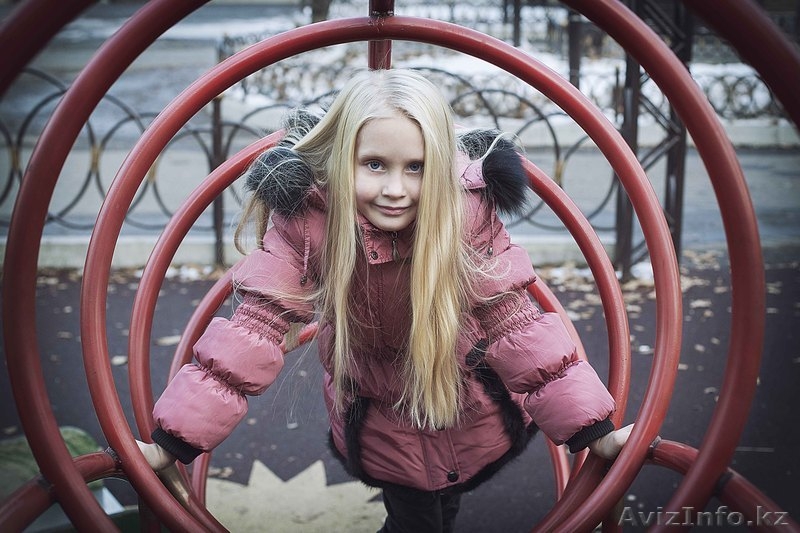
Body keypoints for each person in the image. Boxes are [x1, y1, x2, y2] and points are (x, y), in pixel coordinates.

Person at [137, 68, 632, 532]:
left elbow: (516, 324)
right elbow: (252, 330)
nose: (396, 189)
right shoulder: (310, 221)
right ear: (341, 157)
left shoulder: (464, 215)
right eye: (374, 165)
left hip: (464, 401)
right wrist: (174, 442)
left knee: (443, 505)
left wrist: (593, 432)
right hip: (381, 413)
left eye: (416, 167)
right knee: (416, 518)